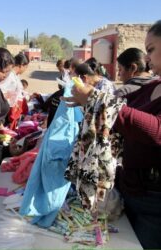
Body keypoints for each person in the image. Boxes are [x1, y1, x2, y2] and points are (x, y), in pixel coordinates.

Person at [61, 20, 161, 249]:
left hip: (155, 204)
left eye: (152, 50)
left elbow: (156, 130)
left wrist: (97, 101)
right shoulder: (151, 87)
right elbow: (120, 113)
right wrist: (89, 103)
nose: (147, 59)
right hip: (134, 191)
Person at [0, 52, 29, 129]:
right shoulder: (9, 76)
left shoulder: (15, 76)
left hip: (10, 110)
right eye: (26, 67)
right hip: (5, 112)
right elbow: (1, 90)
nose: (25, 70)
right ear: (22, 65)